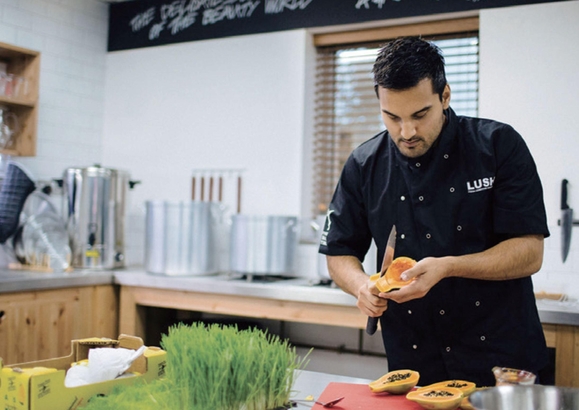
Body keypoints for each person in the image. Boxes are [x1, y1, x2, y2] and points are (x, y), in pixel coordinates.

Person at [318, 36, 550, 387]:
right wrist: (361, 286)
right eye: (392, 117)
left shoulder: (499, 146)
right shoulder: (364, 164)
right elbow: (339, 252)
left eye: (420, 115)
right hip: (414, 364)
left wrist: (449, 267)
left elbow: (529, 253)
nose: (406, 131)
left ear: (444, 96)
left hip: (502, 365)